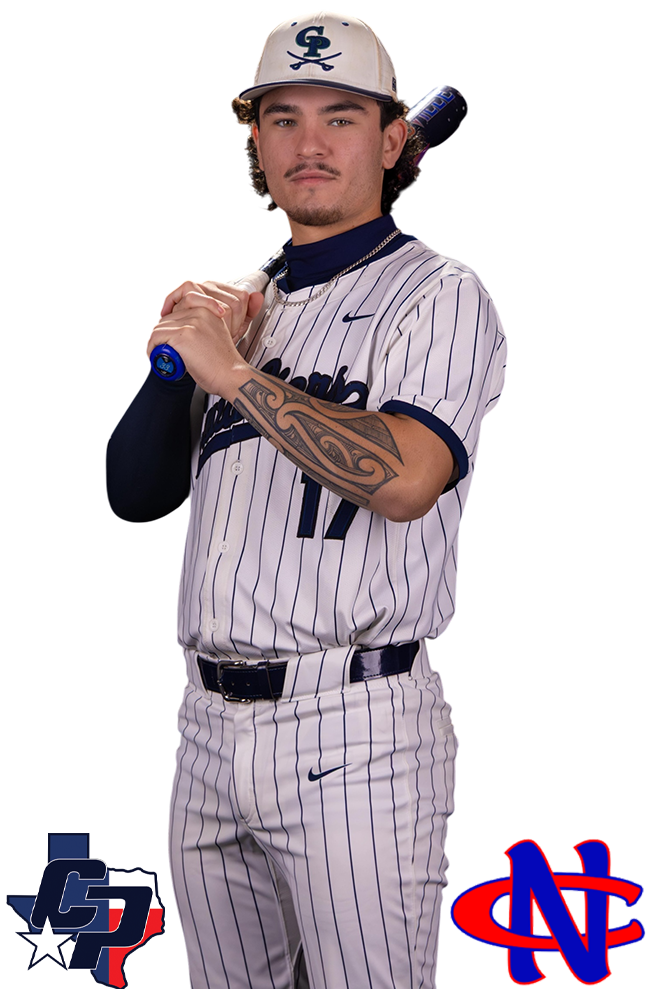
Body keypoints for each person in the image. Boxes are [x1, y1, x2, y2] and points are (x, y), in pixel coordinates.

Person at [106, 10, 507, 988]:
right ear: (256, 142)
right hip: (203, 727)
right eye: (284, 119)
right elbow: (128, 498)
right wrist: (174, 370)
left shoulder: (439, 295)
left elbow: (410, 476)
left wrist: (236, 378)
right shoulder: (241, 301)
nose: (310, 142)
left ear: (393, 138)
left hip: (358, 726)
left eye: (340, 116)